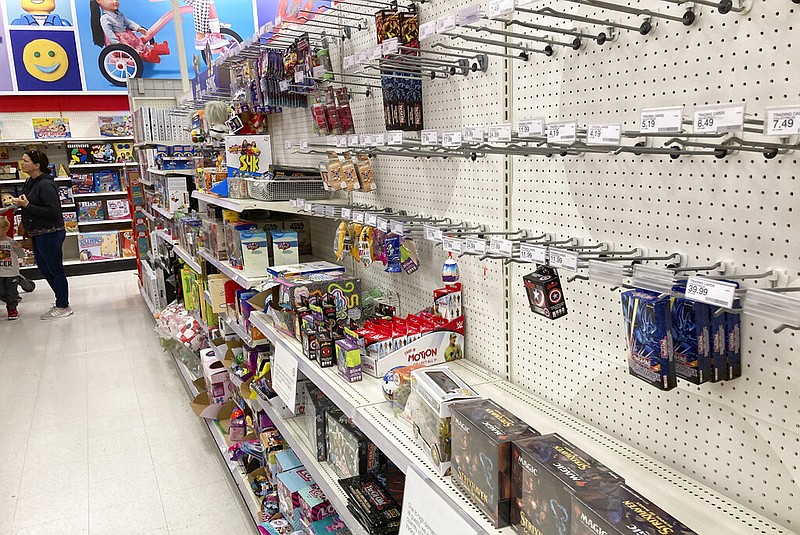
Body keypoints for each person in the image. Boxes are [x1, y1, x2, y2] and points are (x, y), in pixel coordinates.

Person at [12, 150, 72, 319]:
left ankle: (63, 306)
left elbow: (53, 211)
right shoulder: (30, 182)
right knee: (45, 269)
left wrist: (27, 205)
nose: (22, 163)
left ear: (37, 165)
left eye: (25, 161)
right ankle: (61, 301)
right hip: (37, 233)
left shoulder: (45, 184)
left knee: (55, 270)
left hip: (50, 233)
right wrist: (18, 203)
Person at [0, 216, 22, 320]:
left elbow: (21, 254)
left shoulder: (11, 242)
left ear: (5, 229)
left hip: (11, 272)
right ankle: (8, 300)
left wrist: (19, 248)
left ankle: (12, 309)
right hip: (0, 272)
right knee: (2, 292)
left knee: (11, 292)